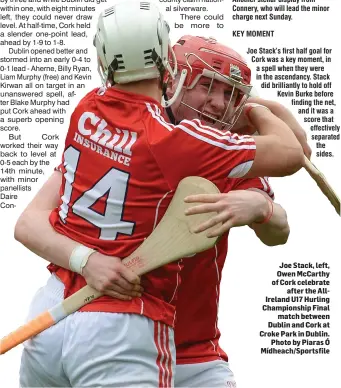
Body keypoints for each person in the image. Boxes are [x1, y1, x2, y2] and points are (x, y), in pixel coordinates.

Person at [14, 2, 305, 386]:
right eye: (207, 86)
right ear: (173, 75)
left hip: (189, 352)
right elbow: (28, 223)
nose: (219, 103)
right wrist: (89, 262)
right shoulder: (193, 144)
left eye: (231, 94)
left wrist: (260, 207)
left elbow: (280, 230)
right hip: (129, 329)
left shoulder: (94, 113)